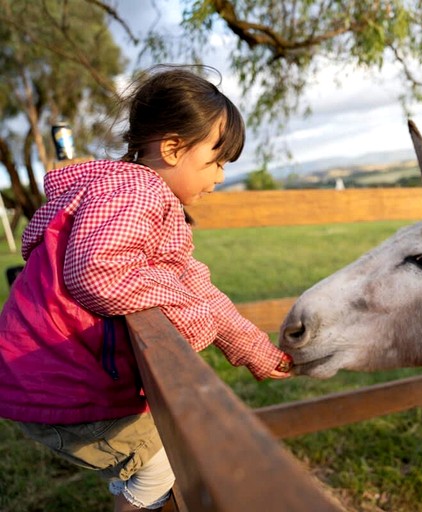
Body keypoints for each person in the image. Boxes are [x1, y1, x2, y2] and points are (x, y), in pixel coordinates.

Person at [0, 66, 294, 511]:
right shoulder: (138, 193)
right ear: (173, 148)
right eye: (215, 162)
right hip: (61, 383)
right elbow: (96, 271)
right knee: (161, 473)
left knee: (152, 466)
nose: (219, 178)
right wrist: (185, 308)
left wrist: (250, 345)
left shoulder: (132, 193)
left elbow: (194, 281)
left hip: (50, 375)